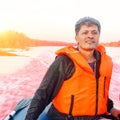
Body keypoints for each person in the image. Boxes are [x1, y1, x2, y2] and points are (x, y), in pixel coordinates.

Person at [25, 16, 120, 120]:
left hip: (96, 116)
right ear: (76, 38)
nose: (90, 36)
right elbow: (43, 94)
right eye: (85, 33)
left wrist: (111, 109)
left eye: (94, 32)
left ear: (98, 36)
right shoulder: (64, 61)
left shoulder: (106, 62)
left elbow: (99, 93)